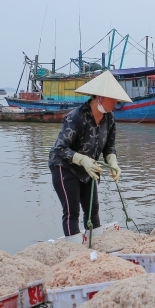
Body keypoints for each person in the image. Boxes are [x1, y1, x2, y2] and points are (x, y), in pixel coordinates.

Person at [48, 71, 132, 242]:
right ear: (99, 97)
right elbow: (59, 148)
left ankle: (96, 247)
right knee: (72, 211)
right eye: (112, 99)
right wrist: (83, 159)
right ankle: (75, 251)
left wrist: (113, 163)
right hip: (64, 166)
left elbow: (109, 147)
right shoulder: (76, 117)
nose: (115, 103)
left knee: (92, 209)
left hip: (89, 168)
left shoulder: (110, 119)